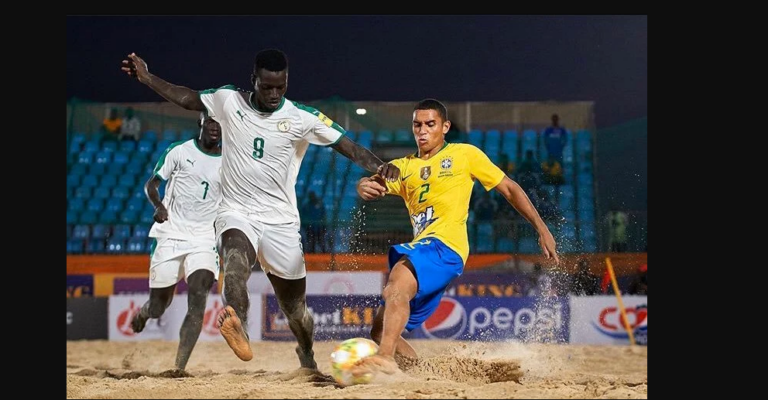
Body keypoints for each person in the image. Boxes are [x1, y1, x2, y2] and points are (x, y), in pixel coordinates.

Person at [121, 49, 399, 367]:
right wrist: (147, 77)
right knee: (235, 261)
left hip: (280, 222)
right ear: (253, 81)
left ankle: (307, 356)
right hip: (237, 211)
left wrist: (380, 166)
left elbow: (348, 146)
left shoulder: (301, 117)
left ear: (286, 82)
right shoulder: (228, 100)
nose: (273, 93)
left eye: (280, 87)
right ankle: (239, 326)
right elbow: (187, 98)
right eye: (266, 87)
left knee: (295, 309)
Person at [351, 99, 558, 376]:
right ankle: (420, 373)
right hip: (428, 251)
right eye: (417, 125)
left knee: (395, 285)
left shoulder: (464, 155)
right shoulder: (402, 167)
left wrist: (541, 229)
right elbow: (371, 182)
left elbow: (509, 188)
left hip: (446, 245)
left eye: (430, 124)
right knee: (379, 329)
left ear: (445, 127)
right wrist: (362, 185)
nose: (422, 131)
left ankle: (385, 359)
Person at [130, 113, 223, 372]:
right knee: (160, 306)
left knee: (199, 294)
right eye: (211, 121)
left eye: (220, 122)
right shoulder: (179, 151)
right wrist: (158, 205)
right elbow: (152, 185)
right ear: (201, 123)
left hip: (204, 239)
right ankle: (145, 313)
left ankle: (178, 367)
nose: (215, 127)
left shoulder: (230, 161)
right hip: (170, 234)